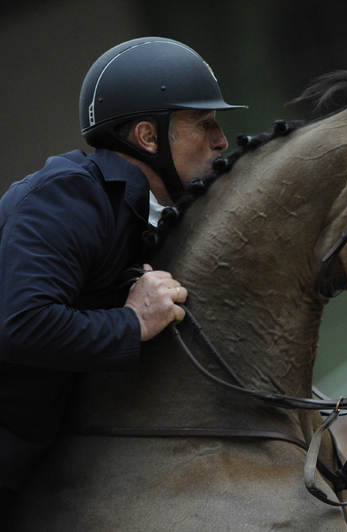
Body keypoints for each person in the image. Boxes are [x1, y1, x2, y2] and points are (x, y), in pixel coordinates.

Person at [0, 37, 245, 497]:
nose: (221, 141)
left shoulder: (155, 212)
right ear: (148, 137)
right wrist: (133, 322)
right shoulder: (69, 197)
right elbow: (22, 325)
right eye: (204, 124)